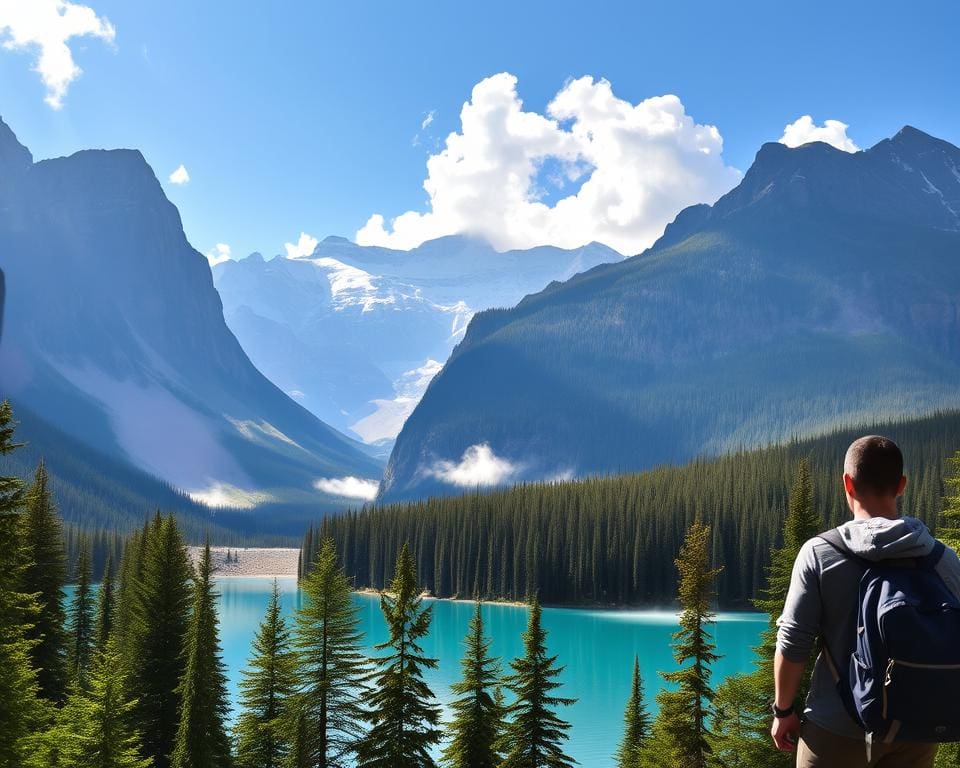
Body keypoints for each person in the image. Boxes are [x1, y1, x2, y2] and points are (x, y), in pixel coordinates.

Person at [770, 435, 960, 767]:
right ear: (901, 485)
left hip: (835, 729)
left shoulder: (821, 554)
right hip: (914, 729)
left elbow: (793, 642)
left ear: (847, 483)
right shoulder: (943, 559)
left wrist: (783, 710)